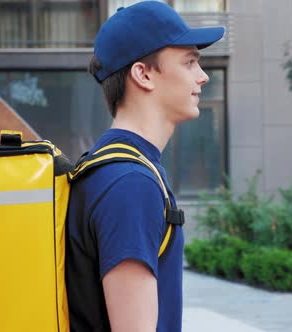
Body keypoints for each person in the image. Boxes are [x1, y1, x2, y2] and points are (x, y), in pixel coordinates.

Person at [65, 1, 225, 332]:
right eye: (190, 62)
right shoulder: (130, 183)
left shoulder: (114, 169)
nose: (203, 76)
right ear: (144, 74)